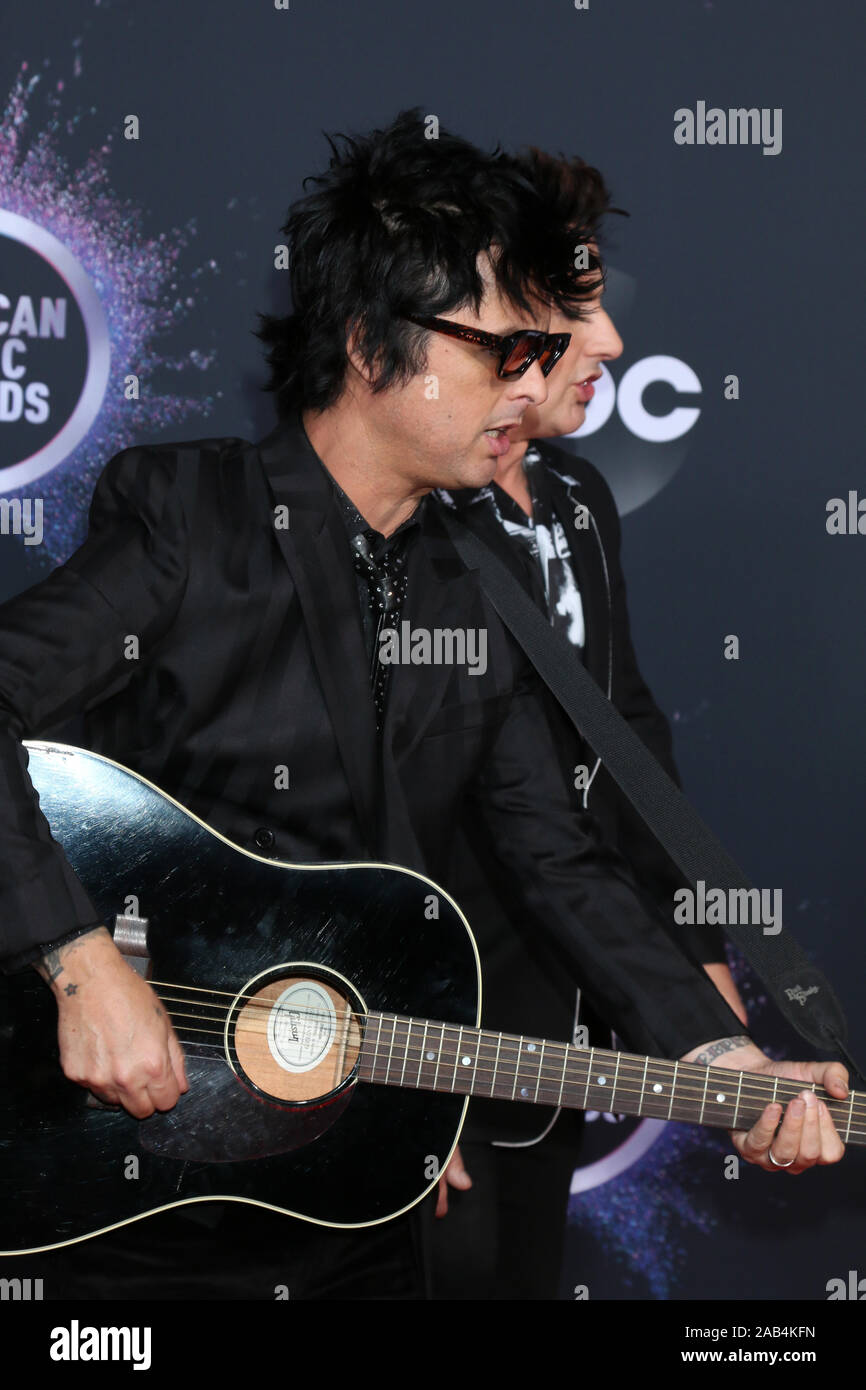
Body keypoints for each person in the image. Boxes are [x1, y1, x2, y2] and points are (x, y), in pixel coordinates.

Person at [0, 114, 847, 1302]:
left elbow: (553, 855)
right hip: (118, 1181)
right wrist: (77, 962)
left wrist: (718, 1053)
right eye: (505, 349)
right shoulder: (191, 520)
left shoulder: (475, 577)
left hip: (339, 1178)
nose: (538, 381)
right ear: (368, 342)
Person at [428, 148, 837, 1300]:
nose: (608, 342)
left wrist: (695, 958)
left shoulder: (577, 496)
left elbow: (628, 737)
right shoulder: (399, 516)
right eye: (576, 309)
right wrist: (375, 1088)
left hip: (578, 978)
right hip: (435, 991)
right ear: (492, 324)